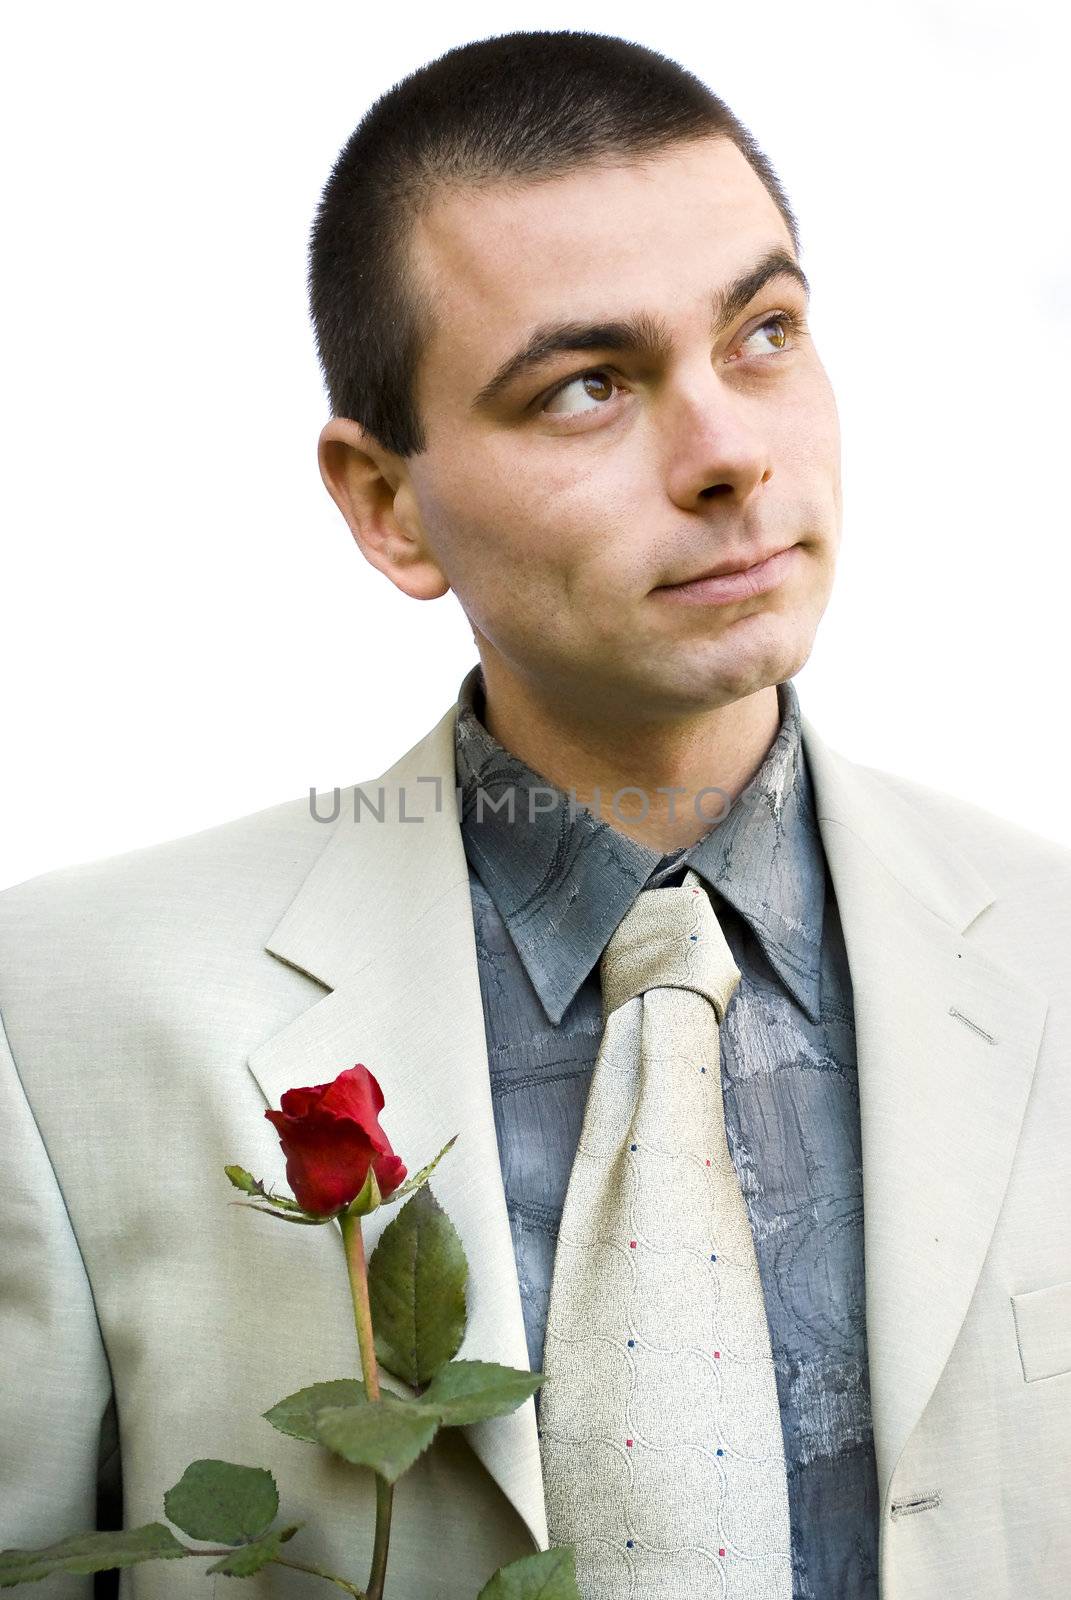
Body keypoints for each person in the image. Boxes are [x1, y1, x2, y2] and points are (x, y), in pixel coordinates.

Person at [1, 28, 1068, 1600]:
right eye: (587, 386)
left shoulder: (1050, 945)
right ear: (386, 505)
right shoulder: (61, 1015)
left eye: (764, 331)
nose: (729, 455)